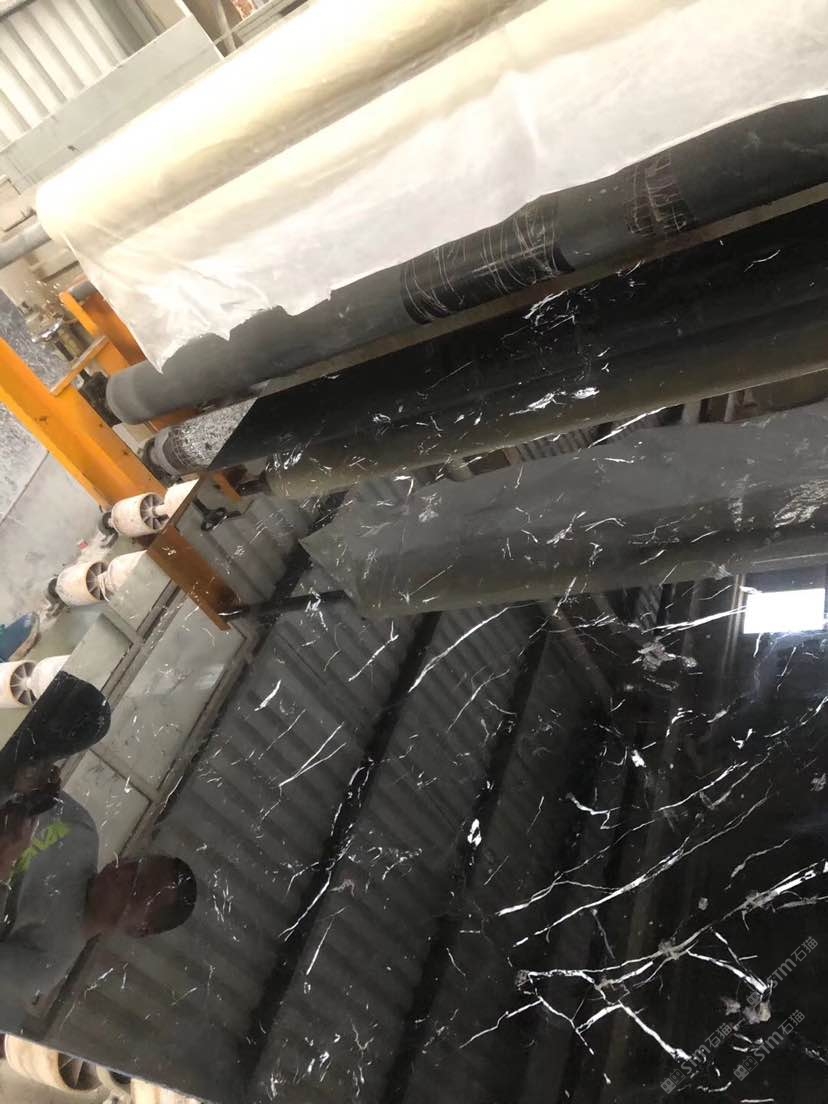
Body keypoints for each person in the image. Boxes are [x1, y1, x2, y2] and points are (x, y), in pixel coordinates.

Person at [0, 769, 196, 1034]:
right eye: (135, 863)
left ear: (139, 929)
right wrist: (30, 778)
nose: (122, 873)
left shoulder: (47, 962)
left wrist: (4, 862)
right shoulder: (83, 831)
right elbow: (22, 784)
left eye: (136, 887)